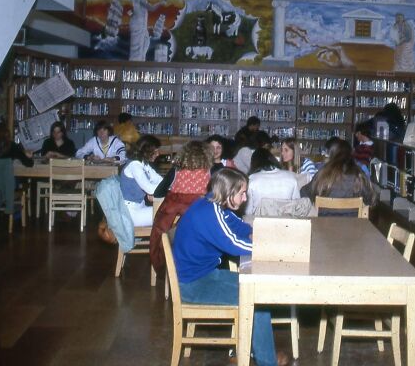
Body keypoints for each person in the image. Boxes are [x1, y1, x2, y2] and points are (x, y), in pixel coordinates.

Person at [173, 169, 289, 366]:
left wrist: (254, 233)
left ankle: (252, 351)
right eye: (242, 193)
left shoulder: (213, 204)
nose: (244, 199)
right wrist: (270, 248)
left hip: (205, 275)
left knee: (257, 293)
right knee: (257, 301)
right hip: (194, 285)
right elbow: (233, 244)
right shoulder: (209, 212)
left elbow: (239, 227)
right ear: (228, 192)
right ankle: (266, 361)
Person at [150, 141, 212, 273]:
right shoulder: (209, 172)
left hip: (173, 216)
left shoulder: (176, 170)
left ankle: (168, 264)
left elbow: (158, 192)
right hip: (198, 219)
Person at [300, 138, 377, 212]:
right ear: (351, 154)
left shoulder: (323, 172)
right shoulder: (358, 174)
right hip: (353, 223)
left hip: (323, 223)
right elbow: (372, 199)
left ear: (331, 154)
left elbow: (304, 193)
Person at [119, 135, 163, 226]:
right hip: (130, 213)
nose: (158, 154)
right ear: (147, 151)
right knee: (167, 214)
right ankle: (163, 239)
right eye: (156, 151)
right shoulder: (134, 165)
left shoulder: (143, 163)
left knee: (168, 212)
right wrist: (168, 188)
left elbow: (159, 179)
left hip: (139, 207)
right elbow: (150, 189)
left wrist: (171, 185)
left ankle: (162, 239)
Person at [246, 147, 300, 215]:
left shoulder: (251, 180)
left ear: (254, 163)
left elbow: (248, 213)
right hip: (286, 223)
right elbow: (298, 206)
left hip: (259, 223)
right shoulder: (291, 178)